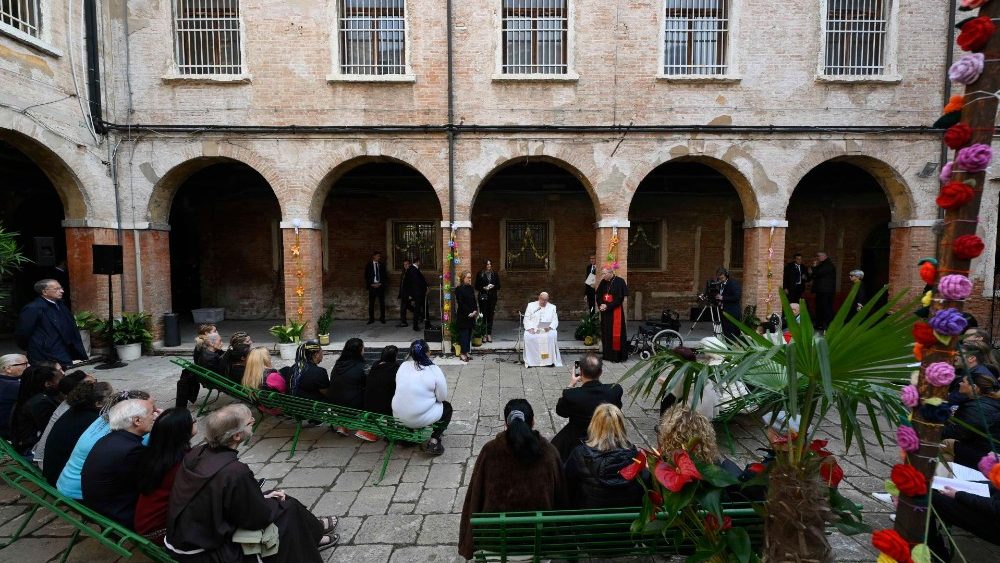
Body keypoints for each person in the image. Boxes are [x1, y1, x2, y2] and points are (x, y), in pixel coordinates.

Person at [165, 404, 337, 561]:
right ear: (237, 435)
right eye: (249, 422)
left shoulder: (196, 453)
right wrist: (269, 501)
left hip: (188, 536)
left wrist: (263, 497)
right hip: (209, 553)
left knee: (280, 500)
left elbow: (222, 497)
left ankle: (314, 534)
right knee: (287, 507)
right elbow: (257, 519)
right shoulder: (235, 471)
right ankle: (313, 537)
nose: (253, 420)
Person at [458, 399, 567, 559]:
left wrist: (467, 542)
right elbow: (561, 500)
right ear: (533, 422)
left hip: (493, 547)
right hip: (540, 547)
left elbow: (475, 496)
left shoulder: (490, 451)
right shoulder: (550, 453)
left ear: (505, 424)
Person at [57, 389, 152, 500]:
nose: (156, 412)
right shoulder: (130, 433)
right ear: (136, 417)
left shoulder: (103, 418)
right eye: (151, 410)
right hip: (80, 493)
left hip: (66, 483)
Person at [82, 398, 158, 527]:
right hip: (117, 514)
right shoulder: (132, 450)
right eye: (152, 413)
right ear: (137, 420)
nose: (156, 416)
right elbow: (152, 481)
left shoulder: (110, 439)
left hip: (99, 507)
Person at [564, 403, 646, 509]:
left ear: (594, 425)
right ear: (621, 427)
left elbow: (566, 483)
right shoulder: (636, 458)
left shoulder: (579, 454)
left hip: (588, 518)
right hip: (626, 521)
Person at [134, 408, 195, 541]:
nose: (195, 422)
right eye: (193, 421)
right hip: (158, 531)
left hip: (144, 523)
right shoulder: (182, 464)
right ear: (183, 431)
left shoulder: (155, 455)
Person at [550, 354, 624, 461]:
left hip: (578, 438)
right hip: (607, 434)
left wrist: (571, 385)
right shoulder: (615, 390)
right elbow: (618, 406)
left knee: (554, 449)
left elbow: (560, 411)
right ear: (601, 372)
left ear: (581, 372)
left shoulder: (571, 395)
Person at [43, 381, 113, 485]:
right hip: (64, 479)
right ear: (98, 403)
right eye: (111, 396)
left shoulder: (74, 410)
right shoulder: (95, 422)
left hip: (53, 472)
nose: (115, 398)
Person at [392, 339, 451, 455]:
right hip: (418, 418)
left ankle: (408, 436)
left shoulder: (403, 366)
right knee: (447, 408)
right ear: (428, 353)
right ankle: (434, 441)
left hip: (398, 416)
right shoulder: (434, 370)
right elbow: (442, 398)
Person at [14, 279, 87, 367]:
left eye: (61, 288)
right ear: (44, 292)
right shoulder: (33, 308)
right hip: (45, 352)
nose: (62, 291)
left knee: (60, 375)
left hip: (62, 349)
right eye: (57, 289)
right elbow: (23, 332)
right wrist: (37, 346)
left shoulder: (60, 305)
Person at [34, 370, 93, 468]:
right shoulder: (75, 411)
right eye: (91, 385)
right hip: (55, 466)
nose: (96, 388)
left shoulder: (69, 404)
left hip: (51, 460)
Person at [942, 369, 1000, 468]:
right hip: (979, 448)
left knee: (942, 446)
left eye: (963, 382)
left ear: (973, 387)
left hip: (983, 455)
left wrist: (931, 429)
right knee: (945, 451)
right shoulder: (983, 401)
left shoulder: (978, 408)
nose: (960, 383)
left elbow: (958, 432)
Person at [329, 338, 378, 442]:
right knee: (373, 394)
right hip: (353, 406)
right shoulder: (362, 367)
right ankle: (366, 430)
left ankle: (342, 426)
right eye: (363, 348)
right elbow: (370, 385)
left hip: (335, 404)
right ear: (359, 350)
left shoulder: (338, 365)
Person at [9, 364, 63, 455]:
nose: (63, 382)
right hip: (32, 449)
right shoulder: (41, 402)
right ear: (48, 384)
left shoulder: (29, 397)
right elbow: (51, 430)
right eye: (60, 380)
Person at [177, 324, 223, 409]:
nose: (217, 332)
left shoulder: (205, 345)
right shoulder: (204, 347)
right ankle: (180, 408)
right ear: (206, 333)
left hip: (202, 371)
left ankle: (180, 406)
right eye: (215, 331)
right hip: (205, 373)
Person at [596, 266, 628, 362]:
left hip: (615, 311)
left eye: (605, 273)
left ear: (611, 273)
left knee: (616, 333)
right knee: (606, 333)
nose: (603, 275)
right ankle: (607, 355)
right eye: (602, 273)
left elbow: (619, 299)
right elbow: (598, 295)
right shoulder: (603, 282)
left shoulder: (620, 281)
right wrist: (601, 304)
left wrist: (608, 306)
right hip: (606, 313)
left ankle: (616, 356)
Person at [522, 292, 562, 368]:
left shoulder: (552, 307)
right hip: (534, 328)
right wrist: (530, 328)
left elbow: (555, 320)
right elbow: (526, 318)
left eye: (546, 300)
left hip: (547, 329)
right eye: (543, 300)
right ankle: (533, 361)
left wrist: (550, 327)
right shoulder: (531, 305)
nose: (544, 302)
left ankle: (548, 361)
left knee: (551, 336)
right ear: (539, 298)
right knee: (529, 337)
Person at [0, 353, 29, 440]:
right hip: (9, 433)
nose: (29, 366)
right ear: (9, 369)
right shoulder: (13, 386)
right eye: (25, 364)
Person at [365, 346, 399, 417]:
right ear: (393, 357)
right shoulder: (395, 369)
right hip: (385, 409)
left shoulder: (375, 366)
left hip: (369, 406)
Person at [455, 271, 479, 362]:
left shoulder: (471, 288)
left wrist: (475, 310)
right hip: (463, 315)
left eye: (470, 277)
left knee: (469, 335)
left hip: (471, 315)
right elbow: (460, 303)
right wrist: (469, 312)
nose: (469, 279)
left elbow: (474, 300)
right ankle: (462, 353)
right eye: (468, 277)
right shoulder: (459, 289)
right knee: (463, 335)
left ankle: (467, 352)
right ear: (463, 278)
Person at [475, 259, 501, 343]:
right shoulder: (480, 274)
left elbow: (499, 286)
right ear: (484, 265)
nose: (489, 266)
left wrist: (493, 286)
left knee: (490, 316)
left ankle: (489, 334)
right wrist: (483, 287)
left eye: (490, 264)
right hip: (483, 297)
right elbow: (476, 286)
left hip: (492, 298)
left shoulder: (495, 274)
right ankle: (484, 334)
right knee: (483, 316)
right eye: (487, 264)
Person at [811, 251, 836, 330]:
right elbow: (814, 274)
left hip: (825, 291)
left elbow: (818, 273)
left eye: (819, 256)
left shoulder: (828, 265)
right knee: (821, 308)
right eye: (818, 256)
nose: (818, 258)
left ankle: (827, 325)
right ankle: (820, 324)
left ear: (824, 256)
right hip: (822, 290)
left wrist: (814, 267)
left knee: (825, 308)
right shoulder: (823, 264)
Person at [714, 267, 742, 340]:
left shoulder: (733, 283)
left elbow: (737, 297)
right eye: (719, 278)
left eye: (722, 278)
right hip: (724, 312)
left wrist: (723, 298)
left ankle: (733, 348)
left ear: (726, 275)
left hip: (732, 312)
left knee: (732, 334)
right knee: (726, 332)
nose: (721, 280)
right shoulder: (721, 284)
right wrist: (720, 301)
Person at [404, 257, 429, 331]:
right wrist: (426, 288)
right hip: (417, 293)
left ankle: (427, 323)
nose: (420, 263)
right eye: (420, 262)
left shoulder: (414, 269)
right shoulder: (412, 270)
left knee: (424, 308)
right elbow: (417, 282)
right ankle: (415, 326)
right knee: (417, 309)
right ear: (418, 262)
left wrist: (426, 287)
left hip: (419, 293)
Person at [364, 251, 386, 324]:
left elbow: (384, 276)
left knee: (382, 303)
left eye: (379, 256)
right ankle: (371, 319)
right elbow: (366, 276)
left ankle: (382, 318)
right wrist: (371, 284)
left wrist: (380, 283)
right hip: (372, 287)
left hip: (380, 287)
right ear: (374, 256)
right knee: (371, 304)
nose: (379, 257)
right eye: (377, 256)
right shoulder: (369, 265)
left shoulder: (382, 265)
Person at [397, 258, 413, 327]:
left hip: (408, 294)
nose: (405, 265)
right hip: (403, 293)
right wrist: (400, 293)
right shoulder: (404, 272)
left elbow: (412, 285)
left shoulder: (411, 273)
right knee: (408, 307)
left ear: (409, 265)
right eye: (404, 264)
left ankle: (404, 322)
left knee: (403, 308)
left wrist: (411, 294)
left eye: (407, 264)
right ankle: (419, 314)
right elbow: (402, 284)